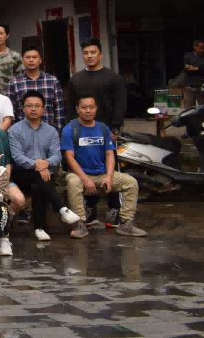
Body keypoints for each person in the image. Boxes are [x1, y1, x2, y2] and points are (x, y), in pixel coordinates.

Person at [61, 96, 147, 238]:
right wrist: (85, 179)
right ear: (77, 109)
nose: (88, 111)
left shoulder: (103, 128)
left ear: (96, 108)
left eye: (91, 107)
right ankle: (79, 224)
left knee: (131, 182)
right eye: (84, 107)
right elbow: (69, 157)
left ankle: (126, 224)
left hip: (101, 174)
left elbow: (109, 154)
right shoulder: (70, 129)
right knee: (73, 182)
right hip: (79, 174)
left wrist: (109, 176)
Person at [9, 90, 79, 241]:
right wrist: (38, 165)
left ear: (43, 109)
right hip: (22, 174)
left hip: (44, 175)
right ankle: (61, 210)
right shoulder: (15, 130)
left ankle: (40, 228)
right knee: (39, 178)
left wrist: (45, 163)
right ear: (23, 109)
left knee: (38, 185)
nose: (33, 109)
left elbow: (57, 156)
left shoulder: (51, 131)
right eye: (29, 106)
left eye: (37, 106)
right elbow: (17, 156)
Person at [67, 39, 128, 135]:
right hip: (81, 130)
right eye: (85, 53)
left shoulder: (113, 77)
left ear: (101, 55)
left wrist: (115, 128)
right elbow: (70, 107)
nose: (89, 56)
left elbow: (120, 104)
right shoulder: (75, 79)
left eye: (93, 52)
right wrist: (73, 128)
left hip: (108, 129)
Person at [5, 47, 66, 130]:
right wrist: (14, 132)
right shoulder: (14, 83)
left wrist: (58, 130)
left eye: (34, 57)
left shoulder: (52, 81)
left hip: (48, 131)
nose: (31, 60)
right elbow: (10, 111)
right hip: (22, 132)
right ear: (23, 61)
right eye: (27, 57)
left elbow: (59, 109)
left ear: (40, 60)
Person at [181, 38, 204, 110]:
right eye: (200, 48)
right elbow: (186, 68)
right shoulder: (188, 56)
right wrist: (203, 67)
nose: (202, 50)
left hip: (203, 86)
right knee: (189, 110)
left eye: (203, 48)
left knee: (203, 109)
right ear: (195, 47)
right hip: (190, 87)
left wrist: (197, 68)